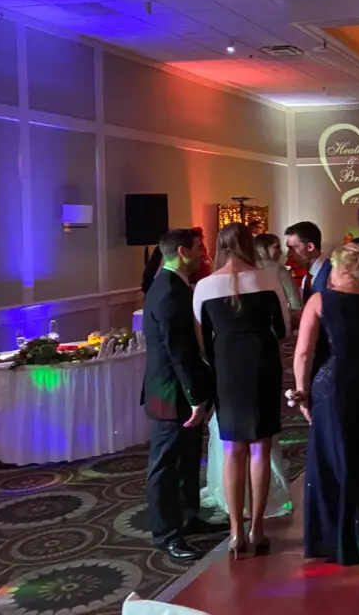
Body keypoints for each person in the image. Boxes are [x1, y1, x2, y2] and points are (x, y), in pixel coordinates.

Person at [293, 243, 359, 566]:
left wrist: (300, 391)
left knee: (330, 459)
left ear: (340, 269)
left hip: (331, 388)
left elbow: (303, 352)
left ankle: (333, 537)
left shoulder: (319, 301)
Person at [193, 223, 291, 558]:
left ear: (219, 246)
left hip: (227, 368)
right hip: (262, 365)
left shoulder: (205, 286)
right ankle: (257, 528)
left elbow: (202, 340)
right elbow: (282, 330)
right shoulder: (267, 279)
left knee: (233, 449)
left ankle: (235, 532)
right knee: (260, 450)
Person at [142, 228, 226, 561]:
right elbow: (178, 351)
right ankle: (166, 534)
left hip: (179, 389)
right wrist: (194, 396)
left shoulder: (173, 285)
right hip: (170, 392)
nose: (204, 252)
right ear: (182, 251)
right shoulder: (169, 291)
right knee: (164, 465)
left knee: (188, 458)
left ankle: (189, 518)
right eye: (199, 247)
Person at [285, 221, 331, 303]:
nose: (288, 254)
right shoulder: (307, 277)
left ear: (310, 247)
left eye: (292, 248)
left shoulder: (333, 274)